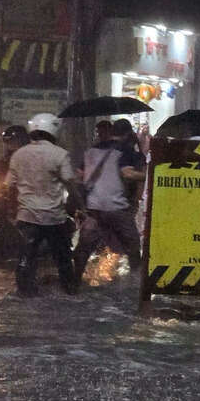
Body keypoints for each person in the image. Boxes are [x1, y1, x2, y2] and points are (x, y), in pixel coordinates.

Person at [4, 113, 79, 296]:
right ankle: (70, 291)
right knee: (63, 258)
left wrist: (12, 211)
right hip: (54, 218)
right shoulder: (60, 154)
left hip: (27, 216)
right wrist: (80, 206)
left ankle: (24, 292)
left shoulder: (18, 155)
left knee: (25, 257)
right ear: (54, 131)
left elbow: (8, 186)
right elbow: (70, 183)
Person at [73, 119, 146, 284]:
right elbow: (128, 174)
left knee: (84, 248)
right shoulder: (124, 150)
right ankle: (136, 286)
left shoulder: (91, 151)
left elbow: (78, 175)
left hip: (94, 209)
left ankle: (74, 282)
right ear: (128, 134)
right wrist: (150, 177)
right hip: (116, 208)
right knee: (133, 246)